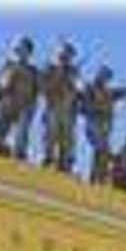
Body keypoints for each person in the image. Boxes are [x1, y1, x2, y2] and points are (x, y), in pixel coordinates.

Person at [81, 65, 126, 183]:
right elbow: (83, 106)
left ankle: (96, 178)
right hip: (93, 124)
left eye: (107, 77)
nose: (104, 79)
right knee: (102, 149)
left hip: (104, 128)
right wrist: (93, 109)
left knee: (101, 152)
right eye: (103, 75)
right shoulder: (90, 89)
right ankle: (96, 177)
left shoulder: (110, 93)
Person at [0, 36, 40, 160]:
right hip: (6, 102)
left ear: (29, 52)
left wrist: (32, 107)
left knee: (21, 135)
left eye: (23, 49)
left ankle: (18, 155)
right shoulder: (8, 64)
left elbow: (37, 90)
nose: (19, 52)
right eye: (18, 49)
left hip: (24, 106)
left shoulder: (33, 71)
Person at [40, 40, 81, 172]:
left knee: (67, 137)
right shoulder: (51, 68)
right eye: (65, 53)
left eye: (69, 55)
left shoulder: (72, 72)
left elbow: (75, 90)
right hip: (53, 104)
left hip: (67, 108)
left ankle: (64, 162)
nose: (67, 57)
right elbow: (44, 84)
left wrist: (72, 79)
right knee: (50, 134)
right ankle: (48, 158)